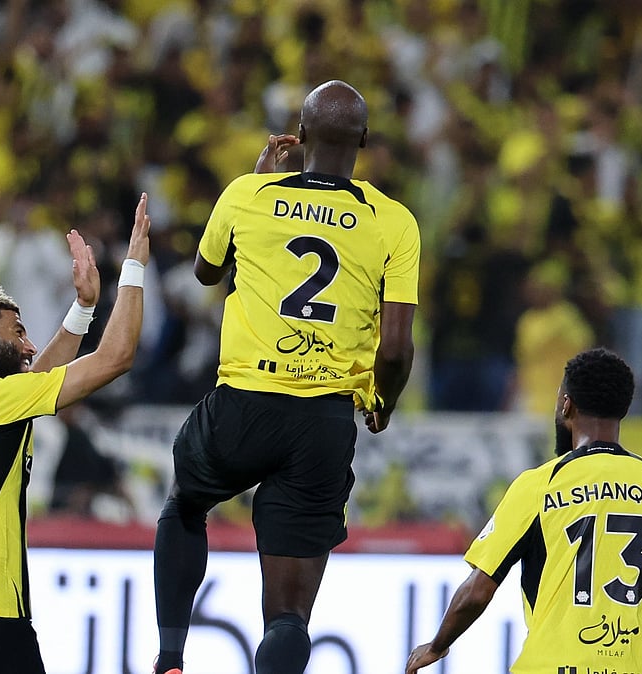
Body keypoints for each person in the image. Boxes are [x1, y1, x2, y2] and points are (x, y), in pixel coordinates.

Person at [152, 80, 421, 674]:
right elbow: (397, 347)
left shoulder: (247, 194)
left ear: (298, 137)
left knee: (186, 504)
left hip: (243, 403)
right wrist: (384, 401)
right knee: (289, 617)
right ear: (365, 142)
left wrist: (257, 182)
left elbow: (204, 271)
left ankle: (171, 657)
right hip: (322, 420)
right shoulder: (394, 223)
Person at [0, 194, 152, 673]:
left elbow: (29, 381)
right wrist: (134, 269)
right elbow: (115, 358)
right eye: (18, 333)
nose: (30, 344)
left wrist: (82, 309)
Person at [406, 348, 642, 674]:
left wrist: (437, 645)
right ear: (624, 410)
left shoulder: (538, 487)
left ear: (566, 405)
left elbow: (478, 592)